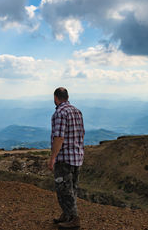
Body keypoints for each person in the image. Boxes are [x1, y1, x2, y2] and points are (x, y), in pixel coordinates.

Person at [48, 87, 85, 229]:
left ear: (56, 98)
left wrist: (52, 158)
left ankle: (74, 219)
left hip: (65, 158)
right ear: (67, 97)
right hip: (77, 156)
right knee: (72, 188)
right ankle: (67, 214)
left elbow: (59, 137)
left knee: (63, 189)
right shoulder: (77, 111)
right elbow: (81, 133)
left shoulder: (60, 113)